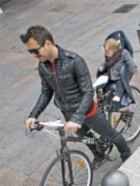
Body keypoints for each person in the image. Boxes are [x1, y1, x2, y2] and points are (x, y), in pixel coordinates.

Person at [21, 25, 131, 168]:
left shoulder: (74, 61)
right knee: (86, 139)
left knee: (112, 135)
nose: (33, 55)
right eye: (30, 52)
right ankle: (99, 155)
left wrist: (77, 118)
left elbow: (88, 92)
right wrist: (33, 115)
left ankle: (126, 154)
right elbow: (46, 92)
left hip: (88, 111)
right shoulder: (43, 66)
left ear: (48, 44)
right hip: (68, 112)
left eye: (35, 50)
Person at [98, 35, 137, 110]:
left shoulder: (123, 53)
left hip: (120, 75)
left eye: (108, 53)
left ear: (114, 50)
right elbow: (106, 62)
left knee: (120, 84)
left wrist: (133, 69)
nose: (107, 55)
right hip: (112, 74)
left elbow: (130, 62)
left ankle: (118, 95)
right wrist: (102, 66)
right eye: (106, 53)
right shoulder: (109, 56)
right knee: (103, 79)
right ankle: (102, 94)